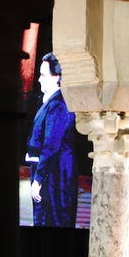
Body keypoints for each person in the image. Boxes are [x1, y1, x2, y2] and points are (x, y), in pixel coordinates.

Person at [25, 52, 79, 227]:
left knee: (52, 222)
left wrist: (39, 179)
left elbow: (51, 145)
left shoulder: (58, 104)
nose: (39, 80)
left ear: (57, 78)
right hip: (50, 174)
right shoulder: (51, 102)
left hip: (55, 177)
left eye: (43, 75)